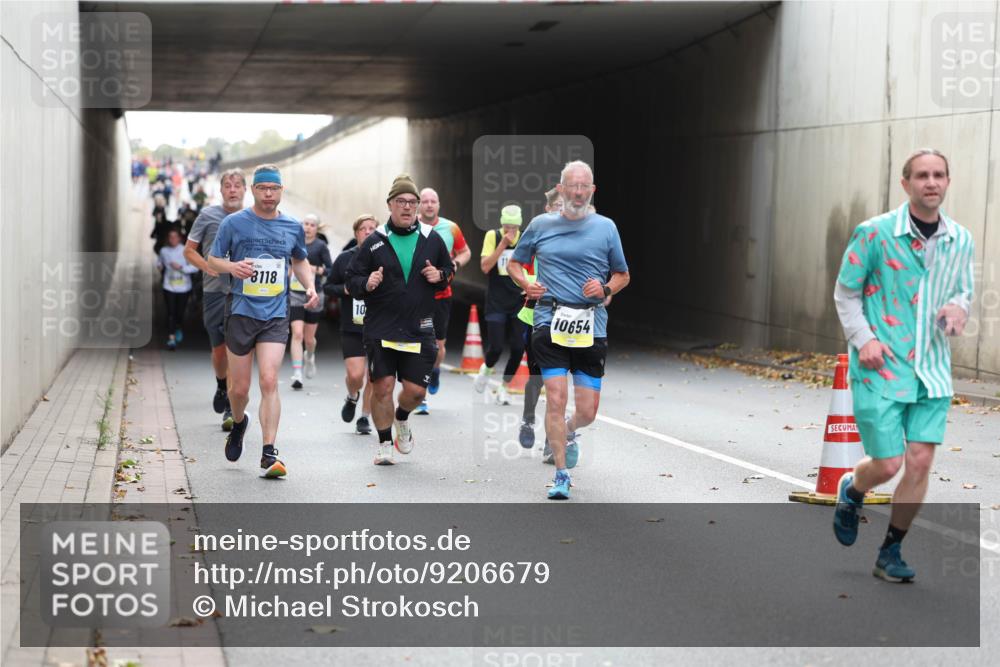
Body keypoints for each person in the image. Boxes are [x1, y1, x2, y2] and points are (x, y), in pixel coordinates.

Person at [832, 148, 975, 582]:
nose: (931, 182)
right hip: (881, 366)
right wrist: (865, 339)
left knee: (919, 462)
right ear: (906, 183)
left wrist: (958, 309)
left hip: (932, 369)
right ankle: (853, 488)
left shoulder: (961, 240)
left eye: (939, 175)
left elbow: (963, 291)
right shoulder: (873, 234)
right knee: (889, 463)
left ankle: (890, 551)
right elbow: (846, 294)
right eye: (922, 176)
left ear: (947, 182)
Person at [508, 160, 630, 500]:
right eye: (571, 186)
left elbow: (623, 275)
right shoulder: (540, 224)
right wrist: (527, 283)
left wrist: (605, 290)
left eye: (583, 187)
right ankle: (561, 475)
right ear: (560, 189)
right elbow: (516, 263)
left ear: (591, 191)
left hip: (592, 324)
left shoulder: (606, 228)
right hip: (549, 320)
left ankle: (570, 431)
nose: (577, 192)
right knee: (557, 399)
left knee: (588, 410)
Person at [208, 164, 318, 479]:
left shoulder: (292, 226)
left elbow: (299, 260)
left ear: (281, 191)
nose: (268, 194)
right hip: (241, 312)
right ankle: (240, 422)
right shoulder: (234, 223)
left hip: (275, 314)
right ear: (254, 190)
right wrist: (232, 267)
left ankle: (269, 452)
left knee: (269, 380)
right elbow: (214, 259)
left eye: (274, 189)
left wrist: (308, 285)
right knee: (239, 389)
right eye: (263, 188)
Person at [345, 174, 454, 465]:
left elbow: (448, 270)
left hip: (419, 328)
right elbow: (352, 279)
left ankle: (402, 418)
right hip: (382, 328)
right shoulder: (374, 241)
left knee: (416, 392)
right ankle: (383, 444)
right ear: (390, 205)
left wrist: (440, 275)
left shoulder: (432, 239)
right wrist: (367, 283)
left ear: (418, 206)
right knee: (382, 388)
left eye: (412, 202)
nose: (407, 207)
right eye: (401, 202)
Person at [184, 168, 246, 432]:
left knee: (235, 350)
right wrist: (207, 267)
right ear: (221, 190)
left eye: (237, 185)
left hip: (244, 294)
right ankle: (221, 384)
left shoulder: (253, 218)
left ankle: (231, 408)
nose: (232, 190)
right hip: (214, 293)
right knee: (219, 350)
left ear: (245, 190)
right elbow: (189, 251)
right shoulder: (207, 216)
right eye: (228, 185)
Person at [415, 187, 471, 414]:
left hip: (442, 296)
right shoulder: (411, 227)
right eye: (425, 201)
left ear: (438, 205)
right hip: (418, 297)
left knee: (438, 347)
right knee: (421, 346)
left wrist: (455, 264)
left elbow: (465, 251)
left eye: (433, 201)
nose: (429, 205)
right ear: (419, 204)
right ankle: (421, 397)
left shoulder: (450, 228)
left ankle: (435, 370)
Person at [516, 187, 563, 448]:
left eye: (564, 206)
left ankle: (551, 439)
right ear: (547, 209)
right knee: (537, 377)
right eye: (556, 206)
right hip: (534, 316)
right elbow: (515, 267)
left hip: (566, 319)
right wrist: (527, 283)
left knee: (556, 381)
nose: (560, 210)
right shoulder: (537, 234)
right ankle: (528, 419)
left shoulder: (578, 236)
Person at [325, 214, 378, 435]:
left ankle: (364, 417)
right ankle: (352, 395)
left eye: (372, 228)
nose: (367, 231)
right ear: (356, 233)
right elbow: (328, 287)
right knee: (356, 375)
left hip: (378, 326)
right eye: (363, 228)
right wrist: (344, 290)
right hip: (352, 327)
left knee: (374, 375)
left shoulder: (384, 258)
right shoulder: (345, 259)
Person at [473, 205, 529, 406]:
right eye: (507, 227)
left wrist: (529, 284)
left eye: (514, 227)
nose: (510, 231)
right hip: (497, 300)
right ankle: (486, 370)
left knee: (517, 347)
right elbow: (485, 266)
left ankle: (504, 387)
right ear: (502, 224)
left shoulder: (525, 238)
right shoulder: (493, 236)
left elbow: (533, 264)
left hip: (518, 300)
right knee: (496, 346)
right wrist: (503, 244)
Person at [287, 214, 332, 390]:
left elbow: (331, 269)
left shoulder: (321, 246)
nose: (308, 227)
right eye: (305, 223)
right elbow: (289, 265)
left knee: (309, 338)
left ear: (317, 228)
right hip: (295, 293)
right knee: (297, 334)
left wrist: (314, 269)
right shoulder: (294, 242)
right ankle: (297, 373)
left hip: (314, 294)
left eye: (312, 225)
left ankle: (310, 355)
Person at [158, 227, 199, 350]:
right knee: (171, 313)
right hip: (168, 286)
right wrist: (159, 266)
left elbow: (196, 267)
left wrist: (181, 267)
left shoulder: (186, 251)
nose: (173, 239)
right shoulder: (164, 251)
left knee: (179, 314)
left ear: (179, 238)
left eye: (175, 237)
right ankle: (171, 338)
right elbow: (159, 262)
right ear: (168, 239)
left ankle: (178, 327)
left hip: (184, 288)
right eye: (170, 237)